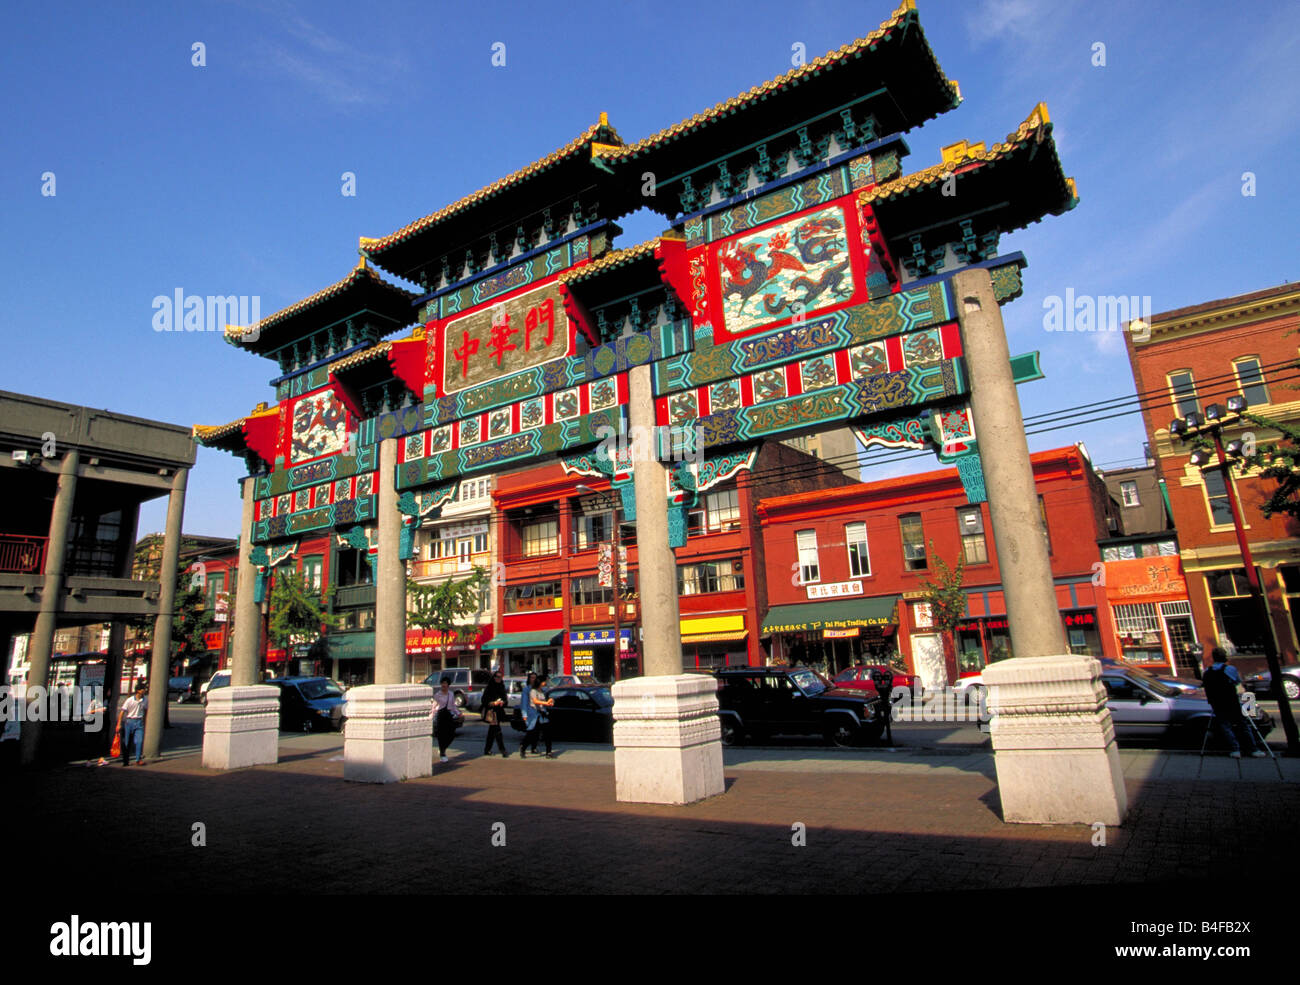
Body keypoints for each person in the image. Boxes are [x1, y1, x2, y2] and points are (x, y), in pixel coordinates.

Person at [1201, 647, 1266, 758]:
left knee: (1225, 726)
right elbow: (1237, 682)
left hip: (1217, 703)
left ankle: (1235, 749)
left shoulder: (1207, 671)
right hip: (1231, 701)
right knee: (1243, 725)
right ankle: (1253, 749)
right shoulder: (1230, 669)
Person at [521, 673, 555, 759]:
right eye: (544, 681)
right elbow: (535, 701)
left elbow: (547, 699)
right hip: (535, 715)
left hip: (543, 715)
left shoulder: (543, 691)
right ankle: (523, 748)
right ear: (540, 682)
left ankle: (549, 752)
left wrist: (550, 701)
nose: (546, 683)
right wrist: (524, 715)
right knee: (532, 734)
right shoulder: (532, 691)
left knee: (547, 734)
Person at [116, 683, 148, 766]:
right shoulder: (130, 700)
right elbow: (122, 712)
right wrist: (119, 724)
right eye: (142, 689)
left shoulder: (145, 700)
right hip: (129, 722)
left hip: (139, 722)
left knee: (139, 741)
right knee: (127, 742)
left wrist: (144, 720)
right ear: (138, 691)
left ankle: (138, 759)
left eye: (144, 689)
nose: (144, 690)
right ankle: (125, 760)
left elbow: (145, 710)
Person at [432, 676, 462, 764]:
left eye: (445, 683)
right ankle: (442, 753)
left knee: (451, 734)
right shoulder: (437, 695)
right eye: (442, 683)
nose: (443, 685)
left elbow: (453, 706)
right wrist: (432, 716)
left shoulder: (451, 694)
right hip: (441, 715)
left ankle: (443, 748)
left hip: (448, 715)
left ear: (448, 685)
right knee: (441, 735)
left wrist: (458, 713)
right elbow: (434, 706)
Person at [480, 669, 510, 758]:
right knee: (497, 730)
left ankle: (487, 749)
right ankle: (502, 750)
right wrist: (493, 703)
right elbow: (484, 700)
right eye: (497, 677)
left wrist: (502, 703)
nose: (498, 679)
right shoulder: (489, 687)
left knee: (492, 731)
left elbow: (505, 700)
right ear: (494, 678)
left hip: (499, 711)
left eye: (500, 677)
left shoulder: (501, 687)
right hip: (491, 711)